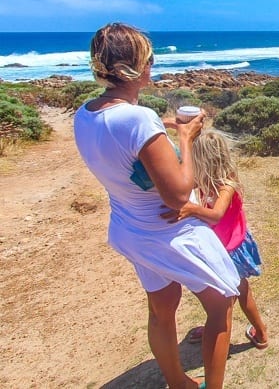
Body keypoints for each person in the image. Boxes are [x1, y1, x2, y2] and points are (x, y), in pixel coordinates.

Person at [73, 23, 240, 389]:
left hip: (130, 228)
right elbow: (179, 195)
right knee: (221, 303)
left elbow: (122, 142)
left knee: (161, 309)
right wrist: (184, 137)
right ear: (136, 67)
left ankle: (178, 382)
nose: (153, 66)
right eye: (149, 59)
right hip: (170, 231)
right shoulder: (137, 119)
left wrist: (162, 127)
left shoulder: (85, 113)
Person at [162, 130, 269, 350]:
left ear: (204, 160)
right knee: (227, 294)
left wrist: (192, 208)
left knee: (233, 293)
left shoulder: (226, 185)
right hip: (222, 246)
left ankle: (259, 331)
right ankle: (228, 328)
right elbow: (182, 185)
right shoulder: (206, 180)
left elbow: (217, 215)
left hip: (231, 247)